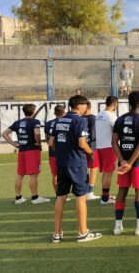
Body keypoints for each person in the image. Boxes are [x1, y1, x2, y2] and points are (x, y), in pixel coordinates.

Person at [49, 95, 102, 243]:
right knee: (80, 196)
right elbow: (82, 143)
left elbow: (51, 142)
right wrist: (90, 153)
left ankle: (57, 234)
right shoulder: (80, 120)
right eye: (85, 104)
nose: (86, 107)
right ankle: (83, 233)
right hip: (77, 163)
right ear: (79, 106)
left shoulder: (59, 120)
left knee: (61, 196)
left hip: (62, 163)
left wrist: (62, 151)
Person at [112, 91, 139, 236]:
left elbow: (114, 142)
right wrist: (130, 163)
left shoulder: (120, 119)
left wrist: (123, 161)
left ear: (129, 103)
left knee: (122, 191)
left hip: (123, 161)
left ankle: (117, 227)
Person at [1, 104, 50, 205]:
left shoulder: (18, 122)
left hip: (22, 151)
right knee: (33, 174)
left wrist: (14, 144)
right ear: (34, 112)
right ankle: (35, 197)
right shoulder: (34, 122)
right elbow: (37, 133)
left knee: (20, 174)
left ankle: (18, 197)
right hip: (32, 150)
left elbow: (4, 134)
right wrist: (39, 143)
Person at [95, 96, 119, 205]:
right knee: (108, 173)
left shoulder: (99, 115)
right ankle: (105, 199)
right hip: (109, 147)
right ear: (115, 105)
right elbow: (117, 132)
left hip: (100, 146)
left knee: (106, 172)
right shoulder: (112, 116)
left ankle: (105, 195)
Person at [45, 105, 66, 194]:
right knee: (64, 174)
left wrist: (52, 147)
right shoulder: (65, 123)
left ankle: (57, 193)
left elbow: (47, 139)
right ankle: (63, 193)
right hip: (64, 153)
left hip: (52, 153)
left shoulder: (48, 123)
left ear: (54, 113)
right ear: (64, 113)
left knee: (55, 175)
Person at [83, 107, 101, 201]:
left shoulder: (79, 117)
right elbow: (94, 134)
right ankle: (90, 192)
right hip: (92, 147)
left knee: (84, 169)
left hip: (82, 147)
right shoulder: (93, 118)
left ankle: (84, 191)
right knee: (93, 169)